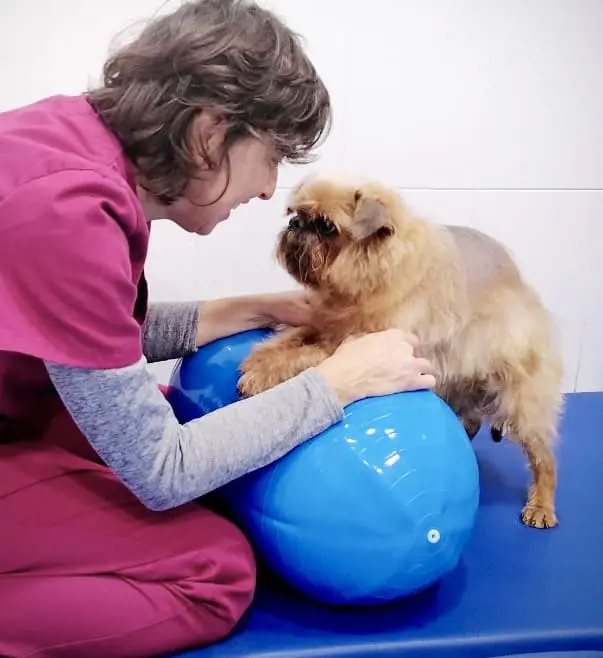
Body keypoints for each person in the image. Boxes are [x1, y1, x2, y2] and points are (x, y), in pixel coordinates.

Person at [0, 1, 437, 656]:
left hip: (16, 407)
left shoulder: (68, 143)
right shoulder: (68, 211)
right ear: (210, 131)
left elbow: (79, 336)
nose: (267, 190)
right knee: (216, 570)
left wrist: (252, 310)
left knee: (165, 417)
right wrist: (340, 381)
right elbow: (162, 470)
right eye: (271, 156)